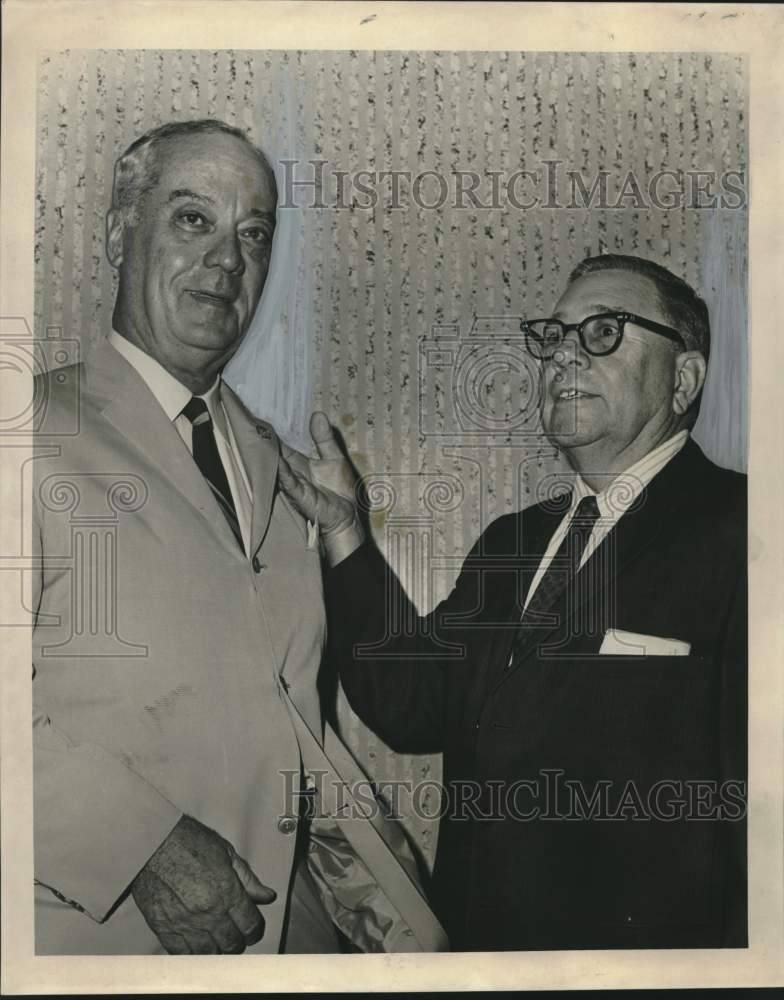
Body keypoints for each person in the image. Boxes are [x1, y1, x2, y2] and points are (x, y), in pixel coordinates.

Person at [32, 118, 446, 955]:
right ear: (120, 231)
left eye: (252, 234)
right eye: (193, 219)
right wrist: (138, 844)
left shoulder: (268, 459)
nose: (228, 259)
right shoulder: (23, 429)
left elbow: (288, 724)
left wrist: (391, 924)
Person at [279, 253, 747, 951]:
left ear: (683, 379)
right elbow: (411, 704)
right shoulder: (515, 540)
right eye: (554, 337)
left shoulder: (747, 531)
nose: (564, 357)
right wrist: (346, 530)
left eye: (603, 332)